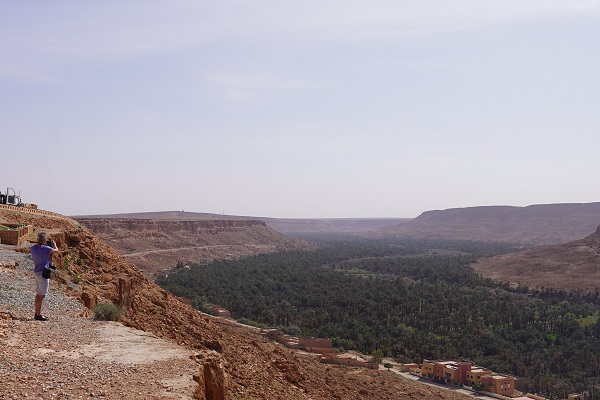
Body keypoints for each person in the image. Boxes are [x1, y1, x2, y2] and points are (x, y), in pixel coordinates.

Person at [30, 232, 58, 321]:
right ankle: (38, 315)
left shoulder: (33, 248)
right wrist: (55, 245)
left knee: (38, 294)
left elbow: (38, 247)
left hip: (36, 272)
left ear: (37, 239)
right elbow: (56, 250)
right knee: (41, 295)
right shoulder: (46, 249)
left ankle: (37, 313)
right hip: (43, 274)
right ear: (45, 240)